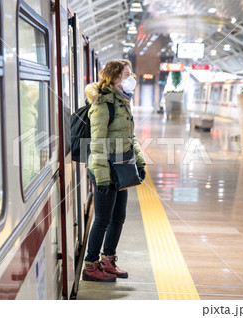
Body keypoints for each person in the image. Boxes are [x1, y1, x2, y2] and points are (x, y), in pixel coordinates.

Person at [82, 59, 146, 282]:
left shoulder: (122, 101)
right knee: (103, 219)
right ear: (116, 77)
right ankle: (91, 266)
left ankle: (108, 260)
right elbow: (97, 142)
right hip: (105, 168)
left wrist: (139, 162)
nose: (131, 78)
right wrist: (100, 177)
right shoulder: (102, 104)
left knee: (119, 217)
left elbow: (130, 137)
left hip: (121, 165)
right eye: (127, 74)